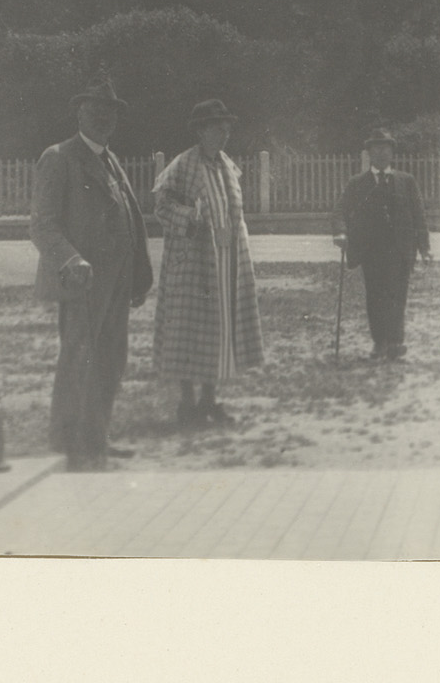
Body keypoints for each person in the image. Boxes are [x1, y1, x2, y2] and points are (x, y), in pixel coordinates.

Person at [30, 76, 154, 471]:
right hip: (82, 282)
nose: (104, 118)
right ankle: (68, 444)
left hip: (117, 281)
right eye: (96, 110)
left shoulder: (111, 160)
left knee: (111, 360)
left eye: (110, 111)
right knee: (79, 359)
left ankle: (96, 438)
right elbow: (42, 225)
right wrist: (71, 261)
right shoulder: (59, 157)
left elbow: (130, 219)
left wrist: (137, 276)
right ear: (79, 113)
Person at [151, 97, 264, 430]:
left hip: (226, 262)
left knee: (220, 328)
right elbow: (162, 206)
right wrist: (189, 217)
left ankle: (209, 399)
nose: (224, 134)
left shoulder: (227, 166)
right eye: (217, 128)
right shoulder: (184, 165)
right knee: (189, 331)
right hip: (194, 264)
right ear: (200, 131)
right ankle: (187, 404)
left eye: (227, 128)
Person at [335, 128, 432, 360]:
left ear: (392, 153)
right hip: (372, 251)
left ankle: (396, 343)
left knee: (398, 296)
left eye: (385, 148)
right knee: (376, 296)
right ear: (369, 153)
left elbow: (419, 216)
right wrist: (340, 232)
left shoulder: (406, 181)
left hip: (400, 250)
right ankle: (380, 342)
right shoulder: (357, 183)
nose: (381, 153)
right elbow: (340, 211)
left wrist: (425, 248)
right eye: (376, 149)